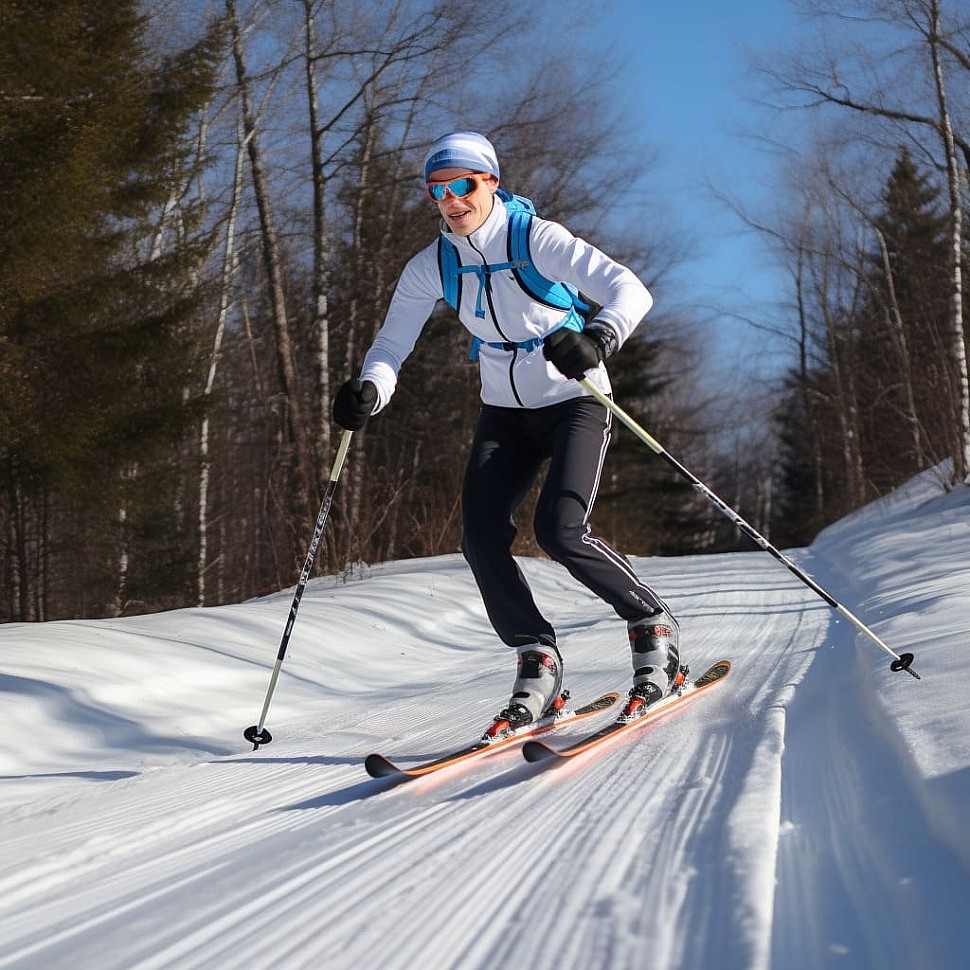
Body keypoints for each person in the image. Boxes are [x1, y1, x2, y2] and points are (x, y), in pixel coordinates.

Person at [333, 131, 680, 735]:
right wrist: (371, 388)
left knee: (561, 531)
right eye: (437, 190)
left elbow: (631, 290)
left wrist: (597, 337)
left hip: (575, 398)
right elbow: (392, 344)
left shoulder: (536, 239)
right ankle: (538, 661)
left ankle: (654, 631)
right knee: (480, 537)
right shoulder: (434, 265)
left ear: (490, 182)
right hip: (505, 411)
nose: (451, 200)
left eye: (462, 185)